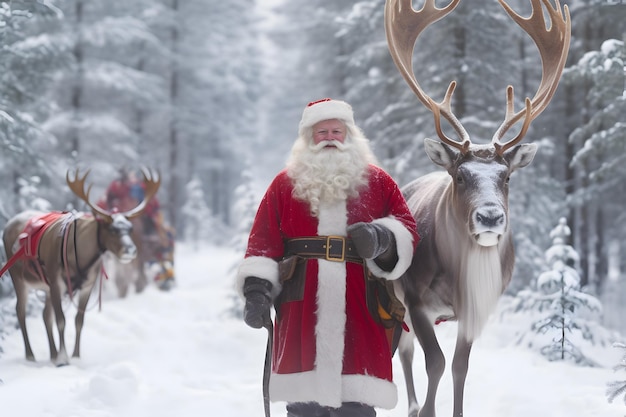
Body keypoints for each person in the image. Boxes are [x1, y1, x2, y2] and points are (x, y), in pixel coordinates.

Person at [235, 98, 419, 417]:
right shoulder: (283, 184)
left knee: (356, 404)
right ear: (308, 138)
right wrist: (256, 291)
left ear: (349, 136)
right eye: (322, 132)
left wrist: (382, 238)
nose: (330, 138)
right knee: (304, 404)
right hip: (301, 303)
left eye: (337, 130)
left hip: (360, 301)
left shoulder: (378, 181)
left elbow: (407, 228)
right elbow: (263, 241)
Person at [99, 168, 176, 290]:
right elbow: (150, 206)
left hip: (123, 218)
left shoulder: (123, 188)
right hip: (135, 220)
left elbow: (105, 202)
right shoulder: (135, 188)